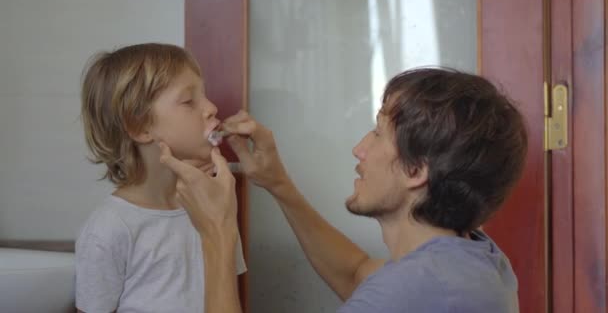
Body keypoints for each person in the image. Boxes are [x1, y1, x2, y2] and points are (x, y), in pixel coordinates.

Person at [161, 67, 527, 313]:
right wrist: (278, 184)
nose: (360, 148)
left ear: (416, 170)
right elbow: (357, 274)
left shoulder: (412, 290)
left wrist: (216, 232)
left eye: (379, 132)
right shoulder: (473, 258)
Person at [75, 43, 247, 313]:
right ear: (139, 126)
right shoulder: (109, 229)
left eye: (205, 95)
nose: (212, 107)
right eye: (189, 101)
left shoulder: (213, 206)